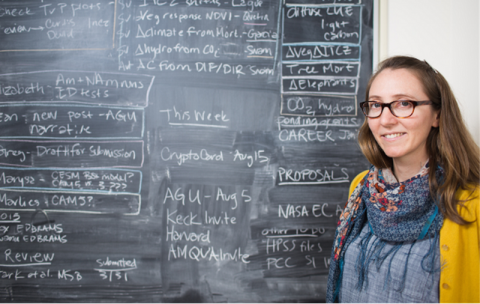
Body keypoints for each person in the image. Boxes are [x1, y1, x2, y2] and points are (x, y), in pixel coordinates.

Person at [326, 56, 479, 303]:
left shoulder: (471, 202)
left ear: (437, 116)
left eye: (404, 103)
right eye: (376, 105)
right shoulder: (363, 187)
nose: (385, 120)